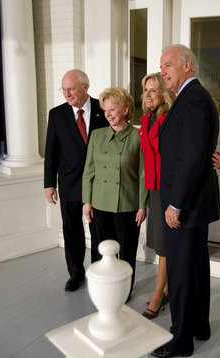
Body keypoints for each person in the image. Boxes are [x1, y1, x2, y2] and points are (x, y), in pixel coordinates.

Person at [151, 45, 220, 358]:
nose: (162, 71)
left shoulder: (192, 100)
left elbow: (191, 158)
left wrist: (175, 204)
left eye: (167, 65)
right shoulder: (192, 98)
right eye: (161, 66)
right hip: (194, 204)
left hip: (186, 205)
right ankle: (199, 327)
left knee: (181, 271)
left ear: (187, 65)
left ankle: (181, 339)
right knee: (195, 267)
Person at [138, 73, 220, 320]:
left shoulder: (172, 113)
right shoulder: (145, 121)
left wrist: (219, 160)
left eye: (153, 90)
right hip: (155, 189)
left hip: (175, 192)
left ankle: (161, 296)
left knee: (173, 252)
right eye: (145, 90)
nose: (147, 94)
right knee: (161, 246)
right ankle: (167, 295)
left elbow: (191, 150)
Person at [44, 69, 108, 292]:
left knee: (98, 229)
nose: (67, 94)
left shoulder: (104, 108)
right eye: (63, 89)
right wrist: (49, 183)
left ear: (85, 88)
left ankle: (99, 273)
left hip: (99, 184)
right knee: (72, 230)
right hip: (69, 183)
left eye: (71, 89)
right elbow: (51, 151)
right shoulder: (56, 114)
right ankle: (76, 274)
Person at [82, 87, 148, 298]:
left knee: (126, 252)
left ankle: (123, 291)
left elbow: (144, 174)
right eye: (105, 110)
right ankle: (102, 290)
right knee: (101, 250)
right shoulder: (97, 135)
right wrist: (87, 201)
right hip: (99, 203)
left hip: (127, 205)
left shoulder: (138, 136)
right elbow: (89, 170)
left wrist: (142, 205)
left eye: (112, 109)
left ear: (126, 110)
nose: (108, 114)